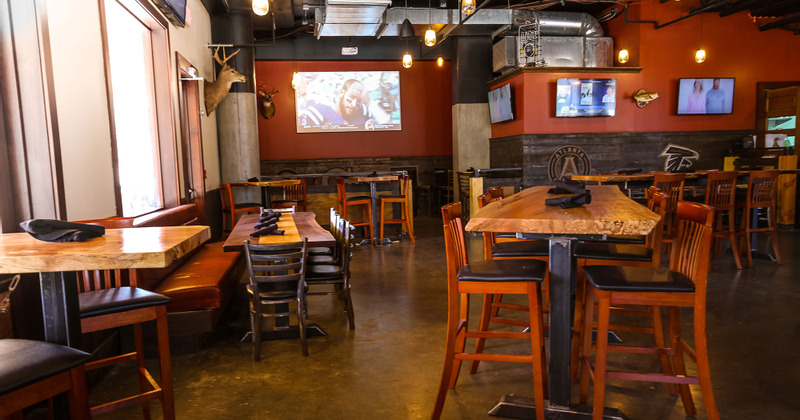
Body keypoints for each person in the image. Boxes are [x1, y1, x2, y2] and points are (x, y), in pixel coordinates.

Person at [298, 79, 370, 127]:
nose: (354, 104)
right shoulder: (318, 113)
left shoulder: (362, 111)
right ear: (341, 93)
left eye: (358, 101)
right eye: (351, 97)